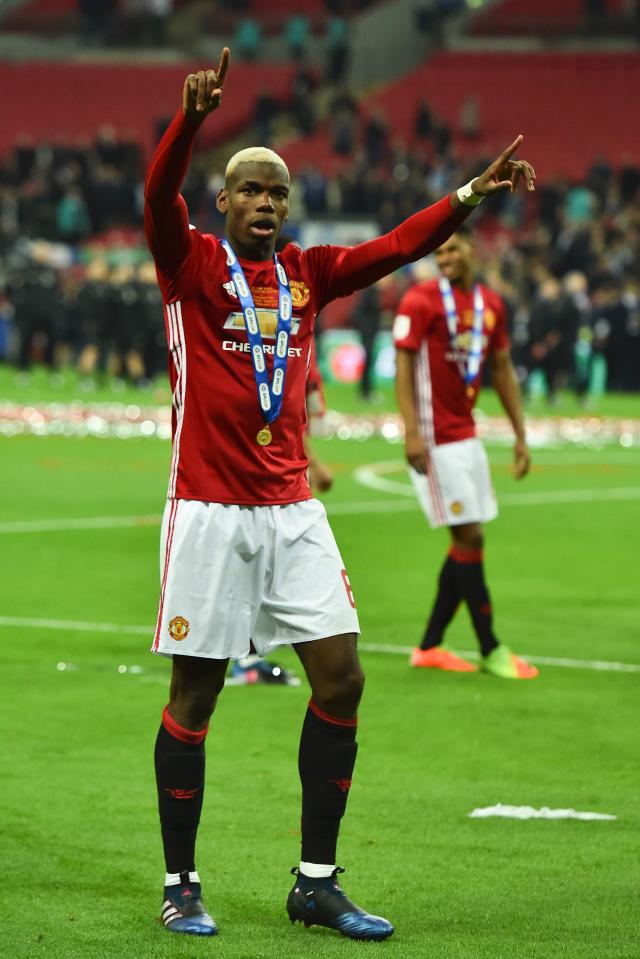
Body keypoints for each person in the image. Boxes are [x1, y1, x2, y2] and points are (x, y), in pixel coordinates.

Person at [143, 46, 535, 940]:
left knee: (343, 674)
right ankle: (181, 881)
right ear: (224, 201)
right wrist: (194, 120)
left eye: (279, 192)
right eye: (251, 190)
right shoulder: (190, 264)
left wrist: (470, 196)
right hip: (206, 507)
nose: (267, 204)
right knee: (197, 695)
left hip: (291, 508)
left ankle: (316, 881)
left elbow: (398, 246)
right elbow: (158, 195)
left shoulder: (309, 274)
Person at [394, 227, 539, 680]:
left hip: (467, 436)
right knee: (470, 537)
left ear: (474, 250)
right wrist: (411, 432)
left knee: (467, 541)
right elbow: (402, 366)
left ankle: (430, 645)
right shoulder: (419, 300)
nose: (445, 257)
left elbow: (502, 369)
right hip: (435, 440)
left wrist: (520, 435)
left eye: (453, 249)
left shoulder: (491, 305)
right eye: (439, 252)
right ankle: (490, 646)